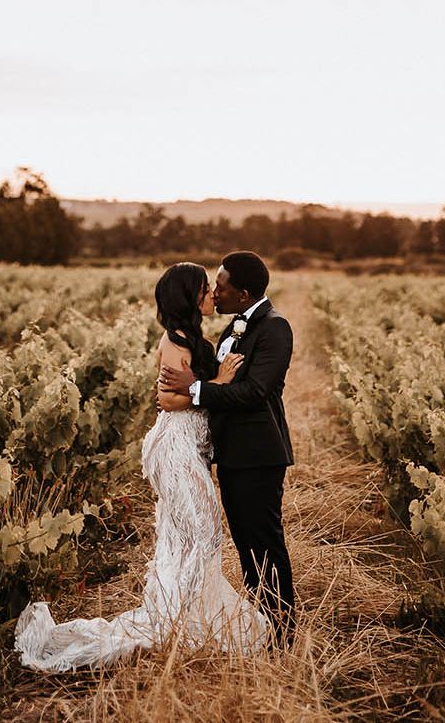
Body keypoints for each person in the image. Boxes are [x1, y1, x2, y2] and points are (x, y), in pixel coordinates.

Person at [13, 262, 268, 672]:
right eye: (204, 288)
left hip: (189, 448)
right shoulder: (175, 340)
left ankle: (184, 615)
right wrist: (218, 382)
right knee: (203, 533)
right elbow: (167, 400)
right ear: (189, 296)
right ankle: (178, 620)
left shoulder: (192, 338)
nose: (210, 294)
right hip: (176, 447)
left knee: (191, 535)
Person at [157, 250, 295, 644]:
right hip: (232, 455)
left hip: (257, 456)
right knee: (247, 547)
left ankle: (282, 631)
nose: (214, 293)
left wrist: (196, 388)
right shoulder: (234, 326)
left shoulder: (274, 328)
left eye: (220, 286)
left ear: (244, 294)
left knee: (265, 544)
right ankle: (261, 627)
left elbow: (254, 392)